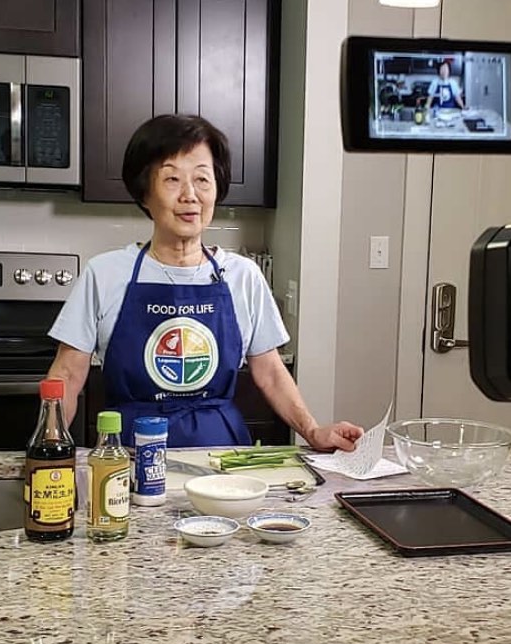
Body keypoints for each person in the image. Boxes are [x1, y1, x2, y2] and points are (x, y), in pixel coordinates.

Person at [46, 114, 365, 451]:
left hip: (221, 458)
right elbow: (66, 376)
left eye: (202, 179)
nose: (190, 195)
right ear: (144, 193)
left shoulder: (243, 276)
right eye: (172, 179)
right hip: (128, 454)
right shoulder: (104, 274)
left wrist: (313, 431)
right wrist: (48, 448)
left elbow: (271, 373)